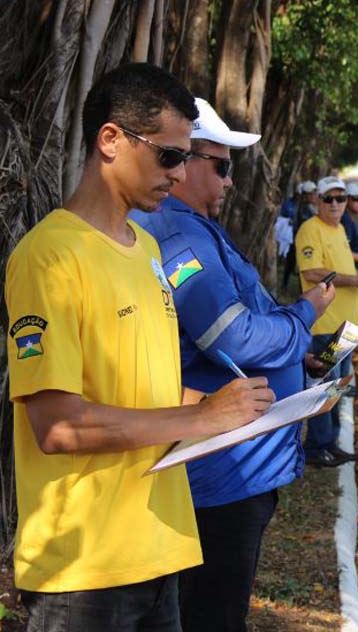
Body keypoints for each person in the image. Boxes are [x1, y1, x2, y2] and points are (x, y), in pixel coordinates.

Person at [5, 62, 274, 632]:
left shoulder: (147, 248)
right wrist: (199, 418)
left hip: (160, 549)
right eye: (169, 156)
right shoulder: (51, 256)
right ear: (110, 139)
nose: (179, 175)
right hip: (86, 571)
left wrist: (230, 409)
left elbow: (143, 389)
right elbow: (57, 427)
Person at [130, 98, 336, 631]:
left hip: (242, 462)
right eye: (221, 166)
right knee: (213, 614)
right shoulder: (176, 235)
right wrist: (303, 317)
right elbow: (231, 334)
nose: (229, 181)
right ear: (180, 162)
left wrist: (298, 350)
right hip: (222, 469)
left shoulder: (194, 227)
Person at [296, 177, 358, 465]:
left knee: (338, 387)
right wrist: (356, 280)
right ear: (317, 200)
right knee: (325, 389)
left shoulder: (340, 227)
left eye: (341, 198)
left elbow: (341, 261)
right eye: (329, 199)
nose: (336, 204)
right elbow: (311, 272)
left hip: (347, 326)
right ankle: (317, 446)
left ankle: (330, 443)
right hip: (326, 326)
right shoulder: (310, 230)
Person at [282, 181, 318, 288]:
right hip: (297, 240)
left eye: (314, 193)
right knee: (291, 264)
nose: (313, 196)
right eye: (310, 194)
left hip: (309, 242)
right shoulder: (302, 208)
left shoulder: (313, 207)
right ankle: (285, 285)